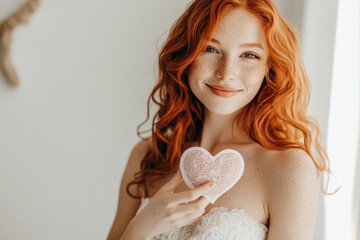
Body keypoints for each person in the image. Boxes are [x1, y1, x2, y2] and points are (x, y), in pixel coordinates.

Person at [107, 0, 331, 239]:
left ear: (270, 67)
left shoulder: (287, 169)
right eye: (211, 49)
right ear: (187, 54)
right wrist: (141, 226)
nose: (226, 73)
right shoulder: (147, 155)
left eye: (249, 55)